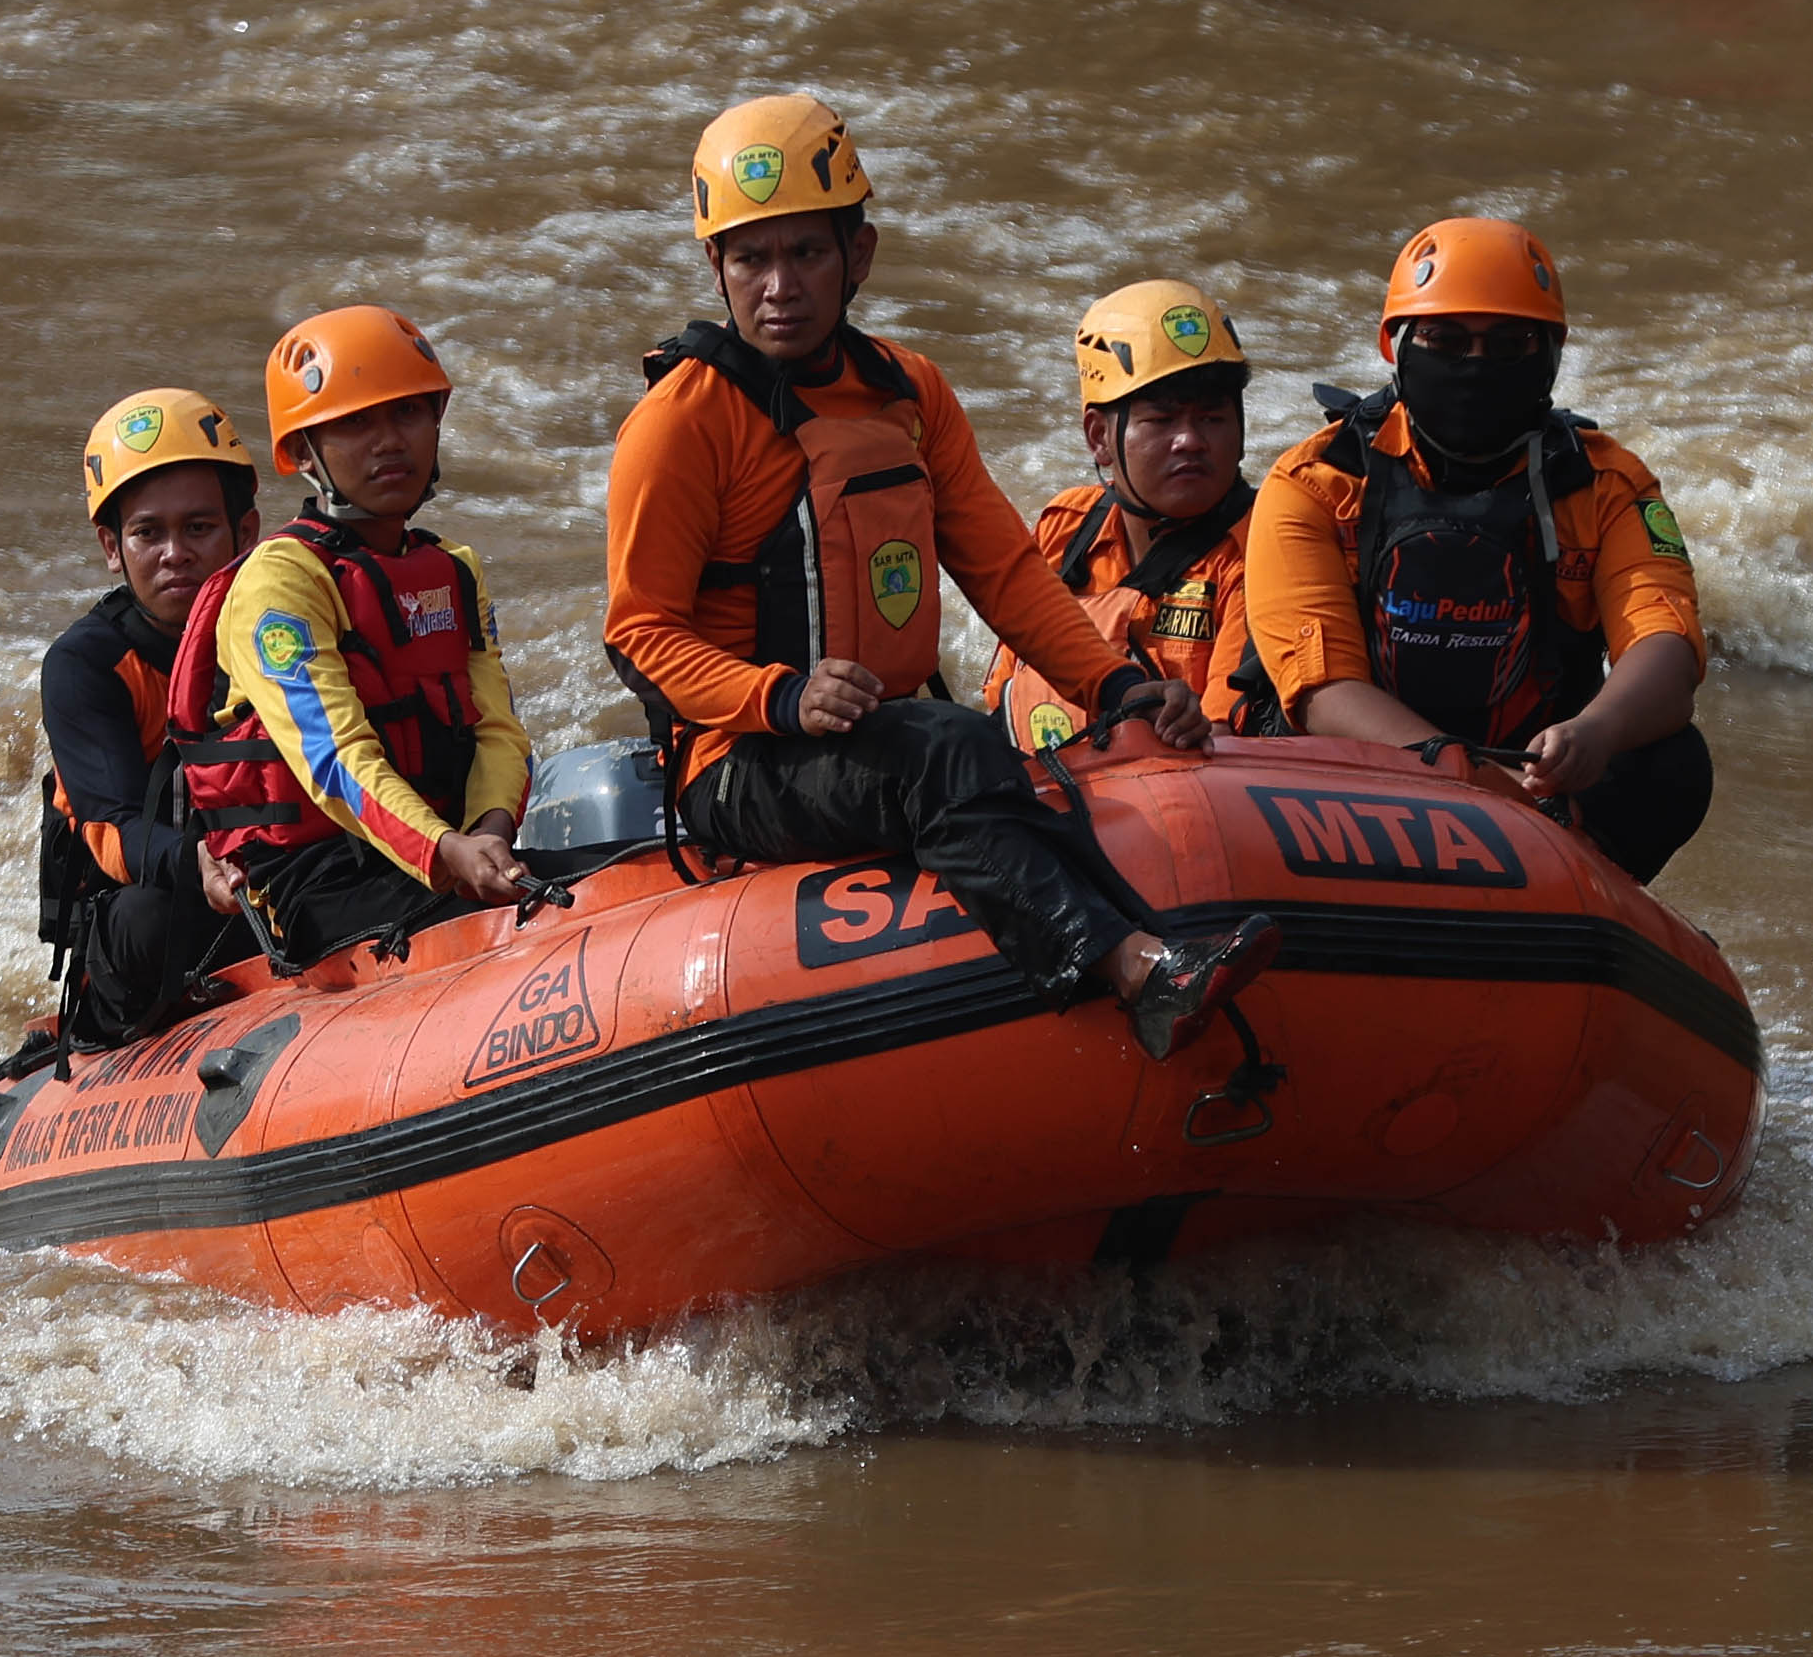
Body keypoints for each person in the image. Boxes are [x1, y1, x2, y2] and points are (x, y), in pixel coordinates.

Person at [602, 93, 1271, 1063]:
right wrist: (778, 696)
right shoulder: (681, 422)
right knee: (949, 747)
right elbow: (639, 637)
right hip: (739, 759)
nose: (778, 285)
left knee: (965, 744)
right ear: (717, 267)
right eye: (751, 258)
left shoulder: (910, 393)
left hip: (890, 739)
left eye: (806, 253)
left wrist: (1118, 688)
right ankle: (1136, 972)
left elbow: (1005, 572)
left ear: (857, 256)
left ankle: (1165, 954)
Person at [1238, 216, 1713, 882]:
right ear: (1394, 345)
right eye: (1447, 340)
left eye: (1510, 342)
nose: (1476, 365)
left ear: (1551, 350)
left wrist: (1594, 734)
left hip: (1542, 772)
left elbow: (1665, 645)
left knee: (1674, 764)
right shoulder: (1315, 484)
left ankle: (1581, 895)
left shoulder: (1606, 484)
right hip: (1359, 779)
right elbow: (1321, 689)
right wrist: (1473, 784)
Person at [166, 305, 533, 968]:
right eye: (356, 422)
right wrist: (448, 854)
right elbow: (334, 759)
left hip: (448, 847)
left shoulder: (456, 568)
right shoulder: (278, 584)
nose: (390, 441)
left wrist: (490, 831)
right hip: (312, 881)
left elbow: (498, 730)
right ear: (304, 453)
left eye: (408, 413)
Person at [37, 387, 264, 1047]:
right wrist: (200, 861)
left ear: (244, 533)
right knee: (147, 913)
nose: (175, 553)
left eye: (198, 528)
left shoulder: (285, 627)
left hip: (271, 881)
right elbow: (111, 831)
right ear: (113, 546)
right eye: (147, 533)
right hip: (156, 920)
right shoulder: (87, 665)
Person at [985, 279, 1266, 754]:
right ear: (1099, 437)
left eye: (1213, 418)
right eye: (1161, 420)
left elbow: (1222, 739)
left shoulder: (1261, 546)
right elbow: (999, 700)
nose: (1191, 440)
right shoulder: (1065, 529)